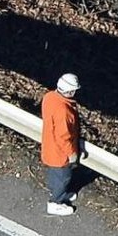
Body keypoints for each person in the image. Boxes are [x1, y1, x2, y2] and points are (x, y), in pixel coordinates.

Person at [41, 73, 83, 215]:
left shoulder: (49, 97)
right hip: (60, 153)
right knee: (63, 178)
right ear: (70, 91)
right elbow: (63, 136)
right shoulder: (63, 110)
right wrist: (71, 153)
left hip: (49, 146)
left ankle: (59, 193)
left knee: (55, 175)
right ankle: (55, 202)